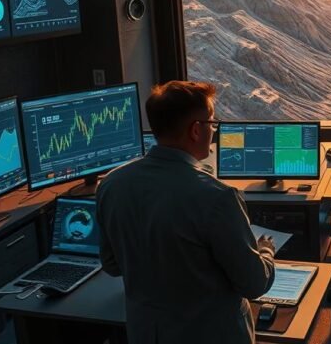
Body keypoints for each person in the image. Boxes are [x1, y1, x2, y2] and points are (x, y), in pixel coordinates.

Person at [97, 81, 276, 344]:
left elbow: (112, 265)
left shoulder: (111, 185)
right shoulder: (217, 197)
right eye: (212, 123)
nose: (213, 130)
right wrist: (265, 252)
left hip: (147, 333)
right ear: (195, 130)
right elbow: (254, 284)